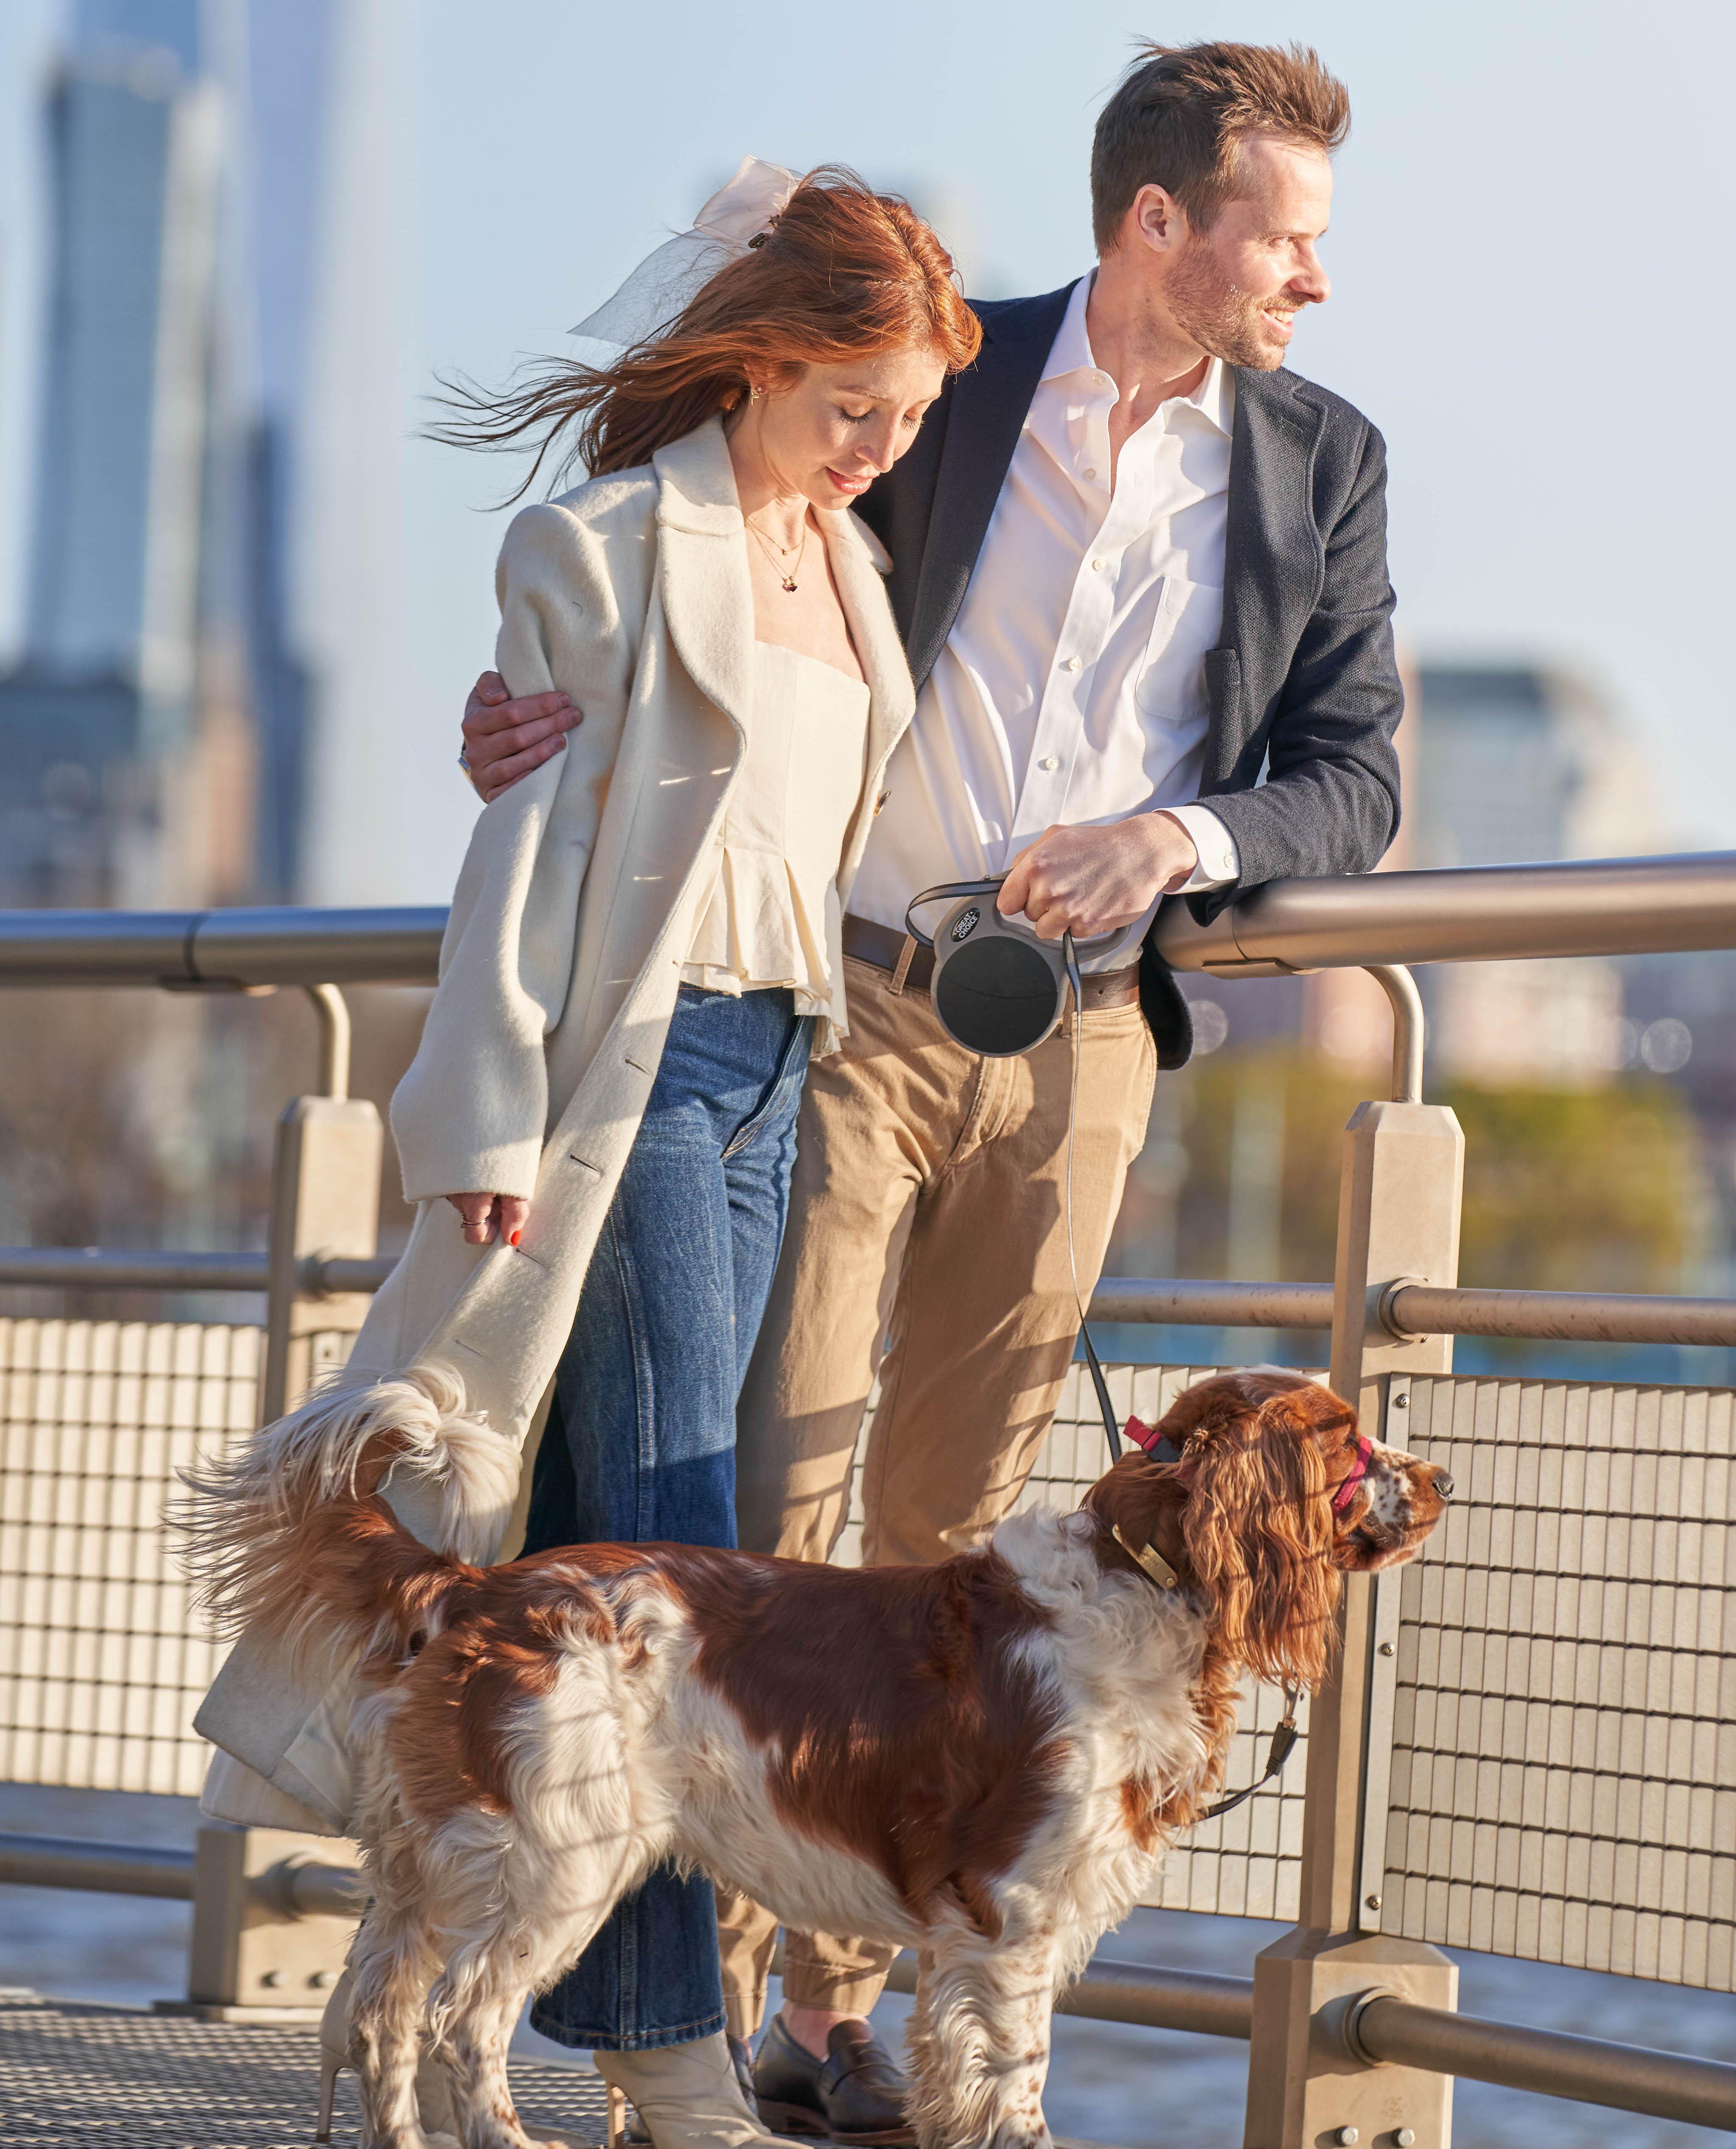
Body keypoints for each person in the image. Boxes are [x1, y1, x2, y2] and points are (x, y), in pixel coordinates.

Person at [461, 37, 1402, 2148]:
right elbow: (736, 523)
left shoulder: (1321, 460)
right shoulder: (959, 375)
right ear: (1162, 222)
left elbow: (1356, 777)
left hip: (1076, 1044)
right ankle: (668, 2028)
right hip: (851, 1001)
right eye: (1296, 237)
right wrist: (546, 699)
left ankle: (836, 2008)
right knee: (761, 1490)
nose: (1320, 282)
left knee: (960, 1536)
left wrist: (1176, 842)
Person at [193, 167, 980, 2149]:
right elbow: (521, 859)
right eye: (855, 404)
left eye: (909, 417)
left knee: (614, 1537)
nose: (882, 447)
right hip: (632, 1071)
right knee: (669, 1536)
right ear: (765, 351)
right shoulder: (607, 540)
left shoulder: (852, 567)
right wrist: (481, 1114)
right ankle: (661, 2059)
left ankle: (418, 1973)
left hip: (775, 1067)